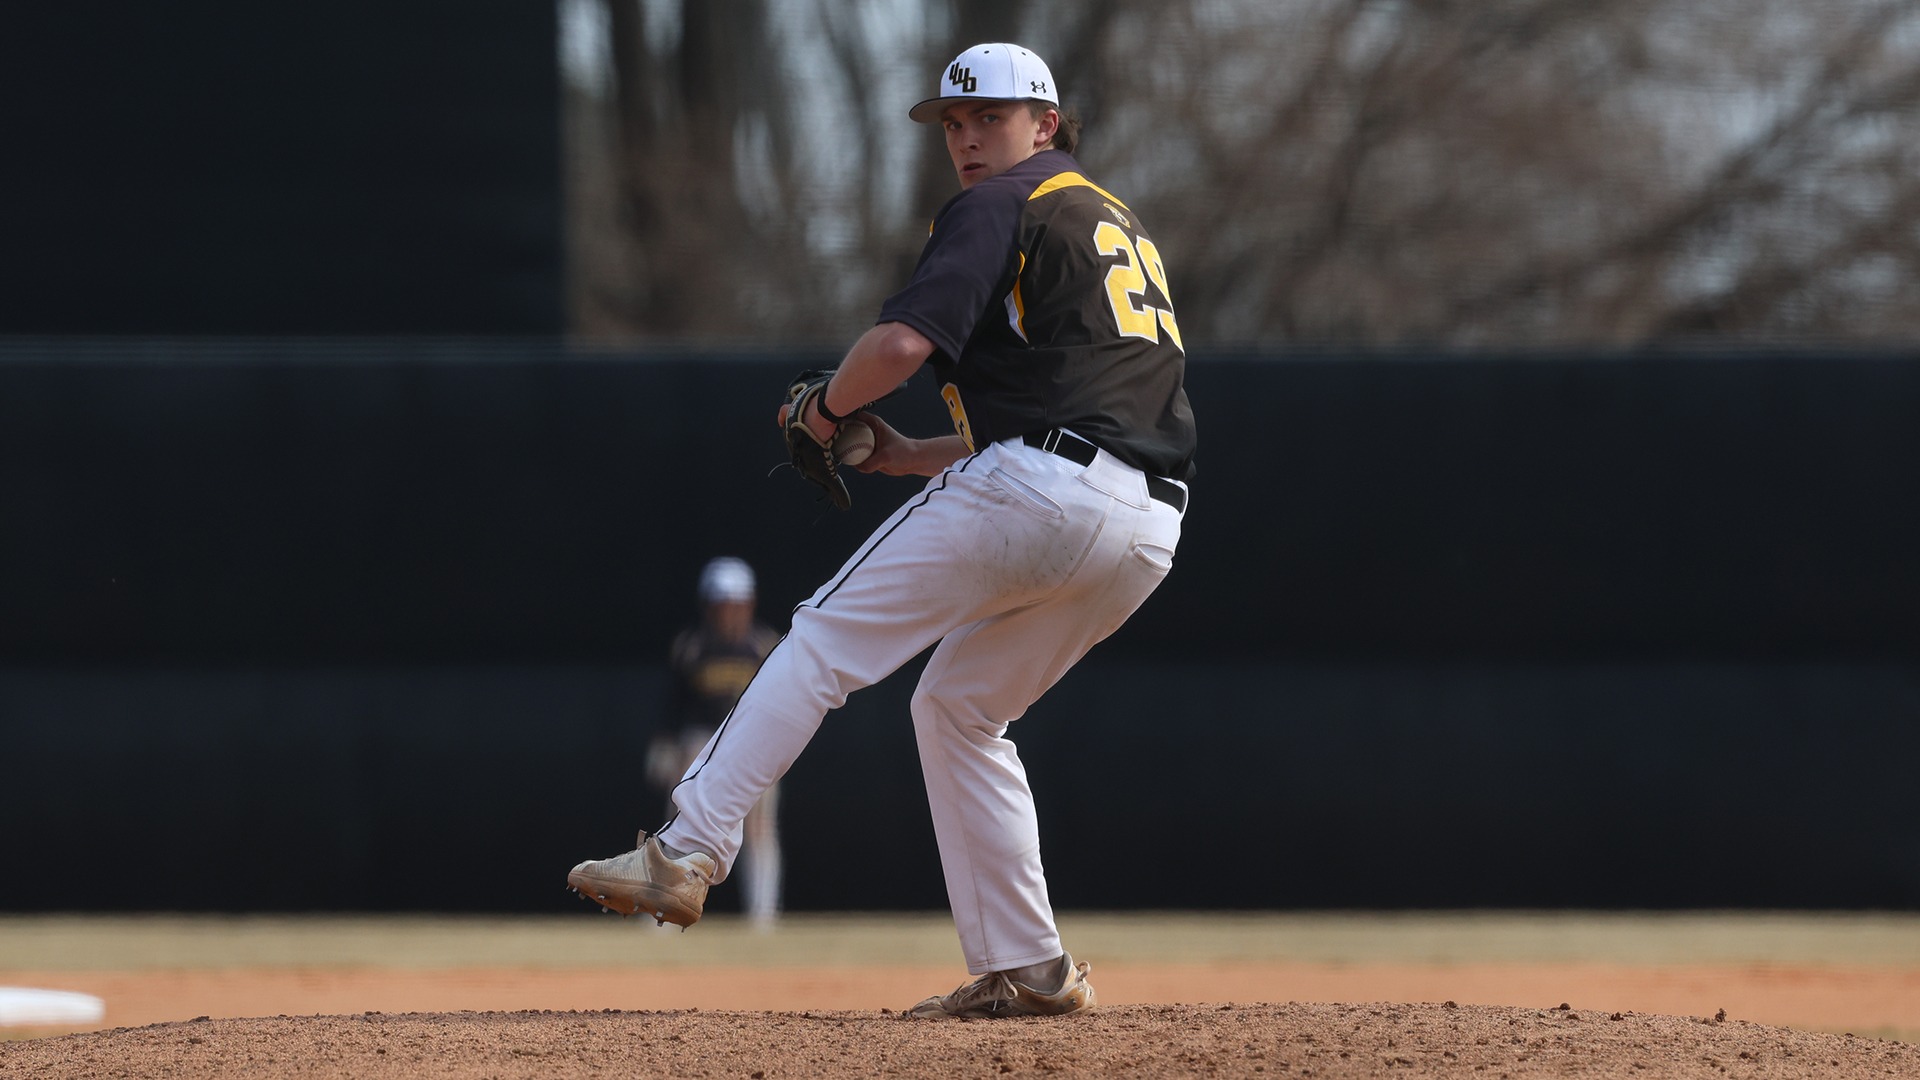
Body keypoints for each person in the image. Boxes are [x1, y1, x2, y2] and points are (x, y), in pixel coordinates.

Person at [569, 41, 1196, 1020]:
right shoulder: (1115, 222)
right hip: (1146, 525)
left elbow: (902, 345)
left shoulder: (1001, 204)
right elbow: (1075, 412)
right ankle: (1029, 967)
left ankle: (685, 851)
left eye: (988, 117)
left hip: (1044, 491)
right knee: (959, 708)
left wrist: (824, 410)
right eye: (953, 123)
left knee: (820, 637)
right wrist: (909, 456)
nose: (967, 139)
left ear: (1047, 121)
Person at [645, 556, 784, 929]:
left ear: (749, 604)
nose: (730, 613)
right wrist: (664, 745)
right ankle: (664, 912)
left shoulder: (763, 645)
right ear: (710, 606)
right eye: (723, 604)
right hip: (701, 744)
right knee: (681, 823)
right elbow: (673, 703)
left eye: (737, 604)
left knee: (759, 828)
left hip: (752, 744)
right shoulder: (692, 646)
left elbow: (780, 704)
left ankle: (763, 917)